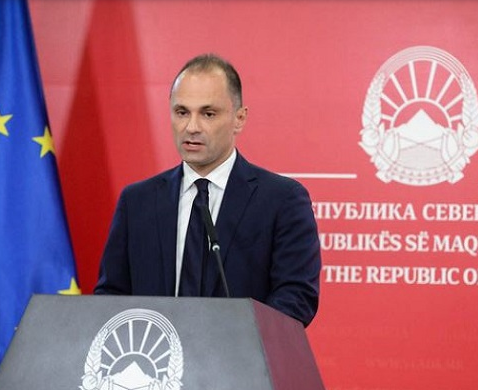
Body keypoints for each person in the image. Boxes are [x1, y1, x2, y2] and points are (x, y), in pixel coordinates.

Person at [94, 53, 320, 326]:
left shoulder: (281, 200)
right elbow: (111, 296)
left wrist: (237, 340)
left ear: (239, 118)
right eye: (182, 112)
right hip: (154, 351)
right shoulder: (137, 202)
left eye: (208, 114)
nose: (191, 127)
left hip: (239, 351)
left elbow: (296, 297)